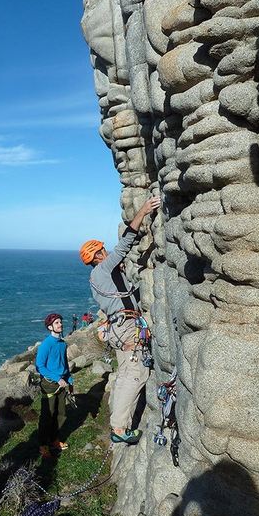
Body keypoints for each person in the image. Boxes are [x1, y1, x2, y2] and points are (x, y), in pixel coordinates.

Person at [80, 196, 161, 444]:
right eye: (102, 251)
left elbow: (124, 296)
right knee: (136, 374)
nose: (106, 252)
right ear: (96, 256)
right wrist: (143, 211)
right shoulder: (102, 270)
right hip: (126, 328)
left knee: (126, 374)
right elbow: (126, 242)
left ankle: (117, 422)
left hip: (119, 327)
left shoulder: (98, 278)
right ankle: (118, 428)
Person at [35, 313, 73, 458]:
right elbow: (40, 366)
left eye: (61, 322)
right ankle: (43, 445)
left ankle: (53, 440)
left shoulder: (63, 343)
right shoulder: (46, 345)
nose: (60, 325)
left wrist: (70, 381)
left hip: (62, 382)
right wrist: (57, 378)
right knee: (47, 415)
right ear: (50, 327)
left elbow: (65, 364)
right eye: (57, 323)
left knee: (61, 414)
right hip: (50, 384)